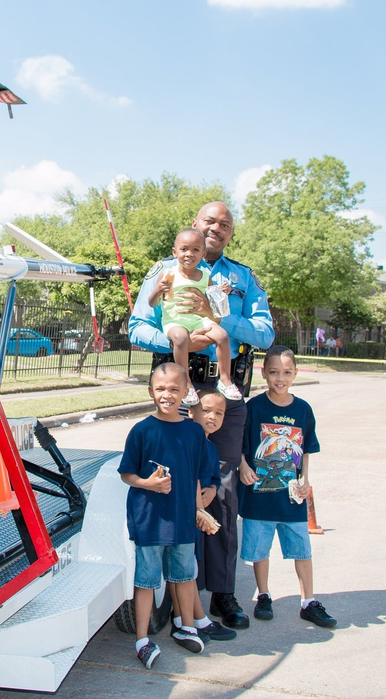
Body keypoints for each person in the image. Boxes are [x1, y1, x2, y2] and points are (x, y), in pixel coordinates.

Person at [129, 201, 275, 630]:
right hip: (179, 390)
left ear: (230, 234)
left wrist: (221, 318)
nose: (216, 228)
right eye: (209, 221)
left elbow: (265, 331)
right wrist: (182, 340)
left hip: (226, 394)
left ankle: (223, 593)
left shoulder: (242, 277)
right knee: (171, 488)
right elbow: (137, 325)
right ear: (194, 226)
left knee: (222, 491)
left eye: (224, 224)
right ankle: (172, 597)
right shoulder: (164, 270)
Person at [119, 362, 219, 668]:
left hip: (182, 520)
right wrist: (148, 483)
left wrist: (200, 509)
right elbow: (127, 474)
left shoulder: (193, 432)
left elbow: (198, 476)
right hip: (149, 520)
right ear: (151, 392)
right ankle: (141, 639)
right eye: (161, 389)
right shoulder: (141, 431)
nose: (167, 395)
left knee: (185, 575)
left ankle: (186, 626)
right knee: (147, 580)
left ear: (186, 393)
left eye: (175, 389)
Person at [238, 346, 336, 628]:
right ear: (263, 373)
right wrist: (243, 466)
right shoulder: (254, 407)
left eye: (287, 373)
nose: (280, 378)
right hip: (259, 496)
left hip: (291, 498)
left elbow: (305, 450)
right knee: (259, 550)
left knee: (302, 550)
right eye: (274, 373)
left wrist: (305, 479)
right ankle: (264, 594)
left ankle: (308, 601)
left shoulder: (302, 409)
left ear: (295, 374)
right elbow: (241, 445)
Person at [167, 389, 237, 642]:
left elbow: (211, 479)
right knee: (184, 567)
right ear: (192, 411)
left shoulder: (210, 447)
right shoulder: (188, 442)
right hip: (186, 513)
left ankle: (188, 619)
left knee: (187, 568)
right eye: (206, 410)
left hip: (198, 511)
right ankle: (193, 620)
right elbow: (192, 477)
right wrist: (198, 508)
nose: (212, 416)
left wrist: (213, 490)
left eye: (219, 413)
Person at [146, 228, 240, 405]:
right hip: (175, 321)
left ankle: (225, 380)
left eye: (196, 250)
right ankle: (187, 384)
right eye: (184, 249)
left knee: (222, 335)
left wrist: (220, 292)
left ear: (203, 253)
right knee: (180, 338)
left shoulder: (205, 276)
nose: (189, 254)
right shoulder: (168, 274)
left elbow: (212, 300)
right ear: (175, 252)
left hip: (198, 320)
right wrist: (158, 290)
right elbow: (152, 303)